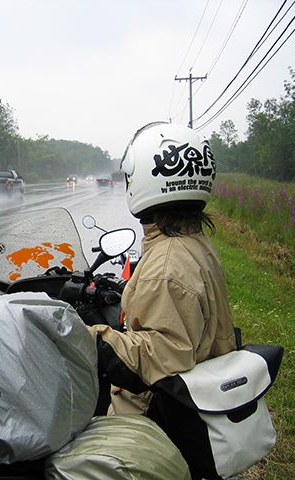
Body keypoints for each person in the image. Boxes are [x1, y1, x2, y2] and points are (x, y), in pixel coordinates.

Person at [90, 121, 238, 416]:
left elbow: (160, 355)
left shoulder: (166, 265)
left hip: (147, 424)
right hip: (195, 399)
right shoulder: (191, 240)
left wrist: (87, 337)